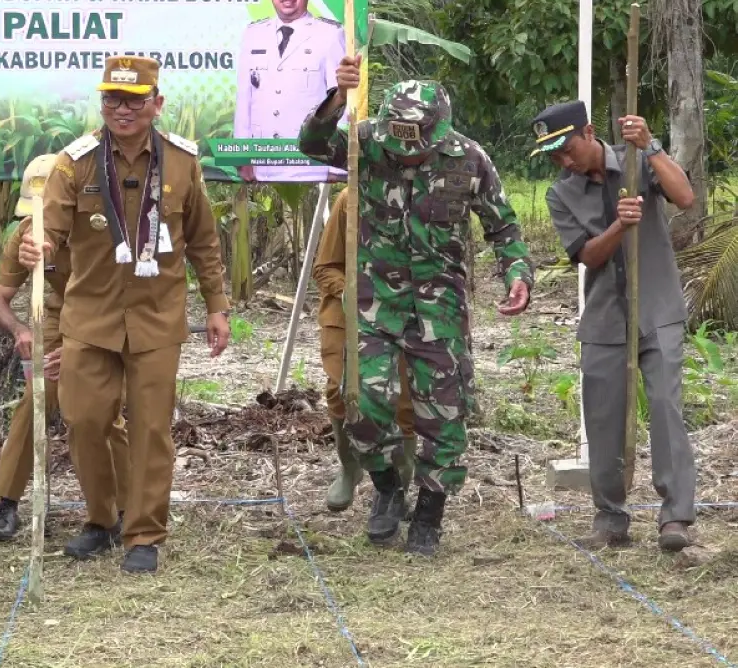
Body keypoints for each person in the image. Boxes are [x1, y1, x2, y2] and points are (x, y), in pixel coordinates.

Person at [298, 54, 534, 555]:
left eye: (416, 142)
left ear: (438, 131)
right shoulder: (366, 144)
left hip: (438, 307)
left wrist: (517, 273)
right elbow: (312, 144)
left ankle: (429, 513)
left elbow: (504, 227)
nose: (404, 151)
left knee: (443, 415)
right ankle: (387, 488)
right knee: (359, 403)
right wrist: (337, 98)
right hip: (374, 304)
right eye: (397, 138)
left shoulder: (469, 159)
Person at [19, 56, 232, 574]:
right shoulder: (77, 161)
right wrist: (38, 243)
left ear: (156, 104)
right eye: (112, 99)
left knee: (152, 428)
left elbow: (203, 239)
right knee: (85, 418)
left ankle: (144, 533)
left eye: (134, 100)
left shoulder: (182, 162)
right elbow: (52, 225)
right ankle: (102, 518)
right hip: (90, 315)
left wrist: (218, 305)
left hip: (157, 317)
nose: (122, 110)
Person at [530, 100, 697, 552]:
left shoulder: (636, 160)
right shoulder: (560, 193)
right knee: (604, 421)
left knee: (665, 410)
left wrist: (651, 146)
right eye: (553, 156)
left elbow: (685, 198)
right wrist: (620, 227)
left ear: (588, 132)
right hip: (604, 318)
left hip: (658, 310)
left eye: (566, 149)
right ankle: (610, 515)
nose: (562, 161)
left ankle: (676, 516)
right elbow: (587, 256)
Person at [0, 153, 131, 542]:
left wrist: (81, 347)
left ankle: (127, 509)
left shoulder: (104, 231)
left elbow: (125, 298)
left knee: (102, 410)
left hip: (109, 320)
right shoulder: (27, 234)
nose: (40, 221)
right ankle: (7, 505)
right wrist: (19, 331)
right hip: (55, 317)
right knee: (36, 395)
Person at [311, 187, 415, 511]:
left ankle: (399, 484)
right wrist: (354, 290)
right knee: (340, 391)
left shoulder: (425, 196)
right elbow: (324, 266)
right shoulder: (349, 199)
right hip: (350, 314)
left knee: (403, 399)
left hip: (403, 316)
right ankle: (349, 467)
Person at [234, 0, 346, 183]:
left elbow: (342, 99)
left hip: (311, 164)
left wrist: (337, 165)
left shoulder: (330, 35)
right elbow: (245, 99)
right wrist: (242, 156)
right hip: (263, 162)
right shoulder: (253, 34)